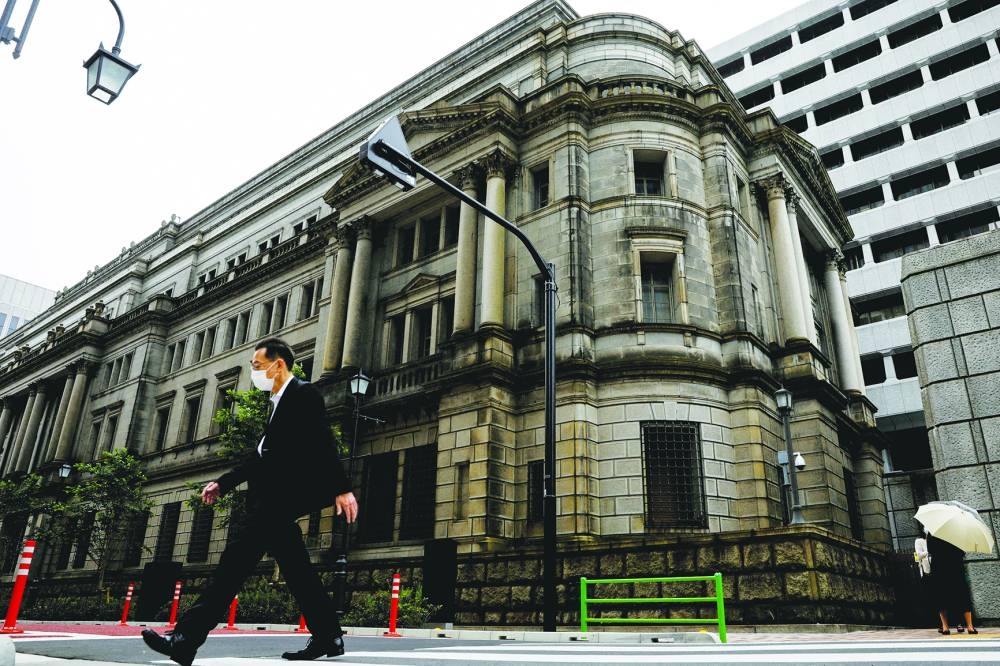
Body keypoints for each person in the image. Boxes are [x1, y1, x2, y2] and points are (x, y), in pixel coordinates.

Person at [142, 338, 359, 665]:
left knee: (231, 569)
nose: (255, 372)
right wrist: (223, 483)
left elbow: (323, 441)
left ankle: (185, 638)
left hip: (275, 503)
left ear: (279, 364)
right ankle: (329, 635)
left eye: (258, 366)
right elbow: (259, 458)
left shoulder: (302, 394)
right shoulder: (277, 404)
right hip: (273, 504)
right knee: (299, 574)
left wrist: (341, 487)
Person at [926, 534, 977, 635]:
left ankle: (945, 627)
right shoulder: (956, 532)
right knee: (962, 595)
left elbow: (930, 550)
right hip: (955, 565)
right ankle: (970, 627)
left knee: (941, 596)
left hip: (939, 566)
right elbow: (962, 552)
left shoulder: (933, 532)